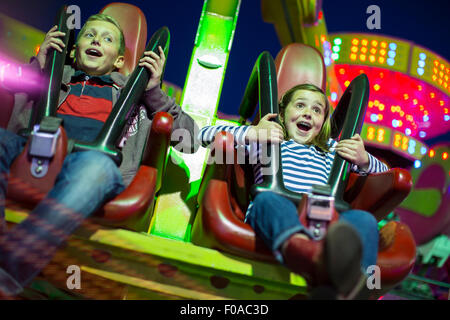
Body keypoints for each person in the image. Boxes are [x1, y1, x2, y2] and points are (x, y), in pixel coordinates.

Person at [0, 13, 197, 297]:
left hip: (92, 159)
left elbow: (188, 139)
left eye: (107, 39)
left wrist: (153, 91)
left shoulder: (133, 90)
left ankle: (9, 269)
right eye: (89, 35)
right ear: (72, 49)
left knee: (95, 167)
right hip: (35, 149)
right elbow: (11, 86)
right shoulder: (55, 73)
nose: (96, 40)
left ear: (118, 61)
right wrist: (38, 65)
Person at [198, 83, 387, 299]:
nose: (308, 113)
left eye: (317, 110)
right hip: (278, 211)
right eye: (300, 105)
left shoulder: (333, 150)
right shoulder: (266, 141)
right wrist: (253, 132)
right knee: (268, 200)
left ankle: (364, 285)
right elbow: (205, 135)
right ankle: (304, 252)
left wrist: (364, 160)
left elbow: (385, 173)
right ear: (281, 113)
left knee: (365, 220)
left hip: (322, 219)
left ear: (323, 122)